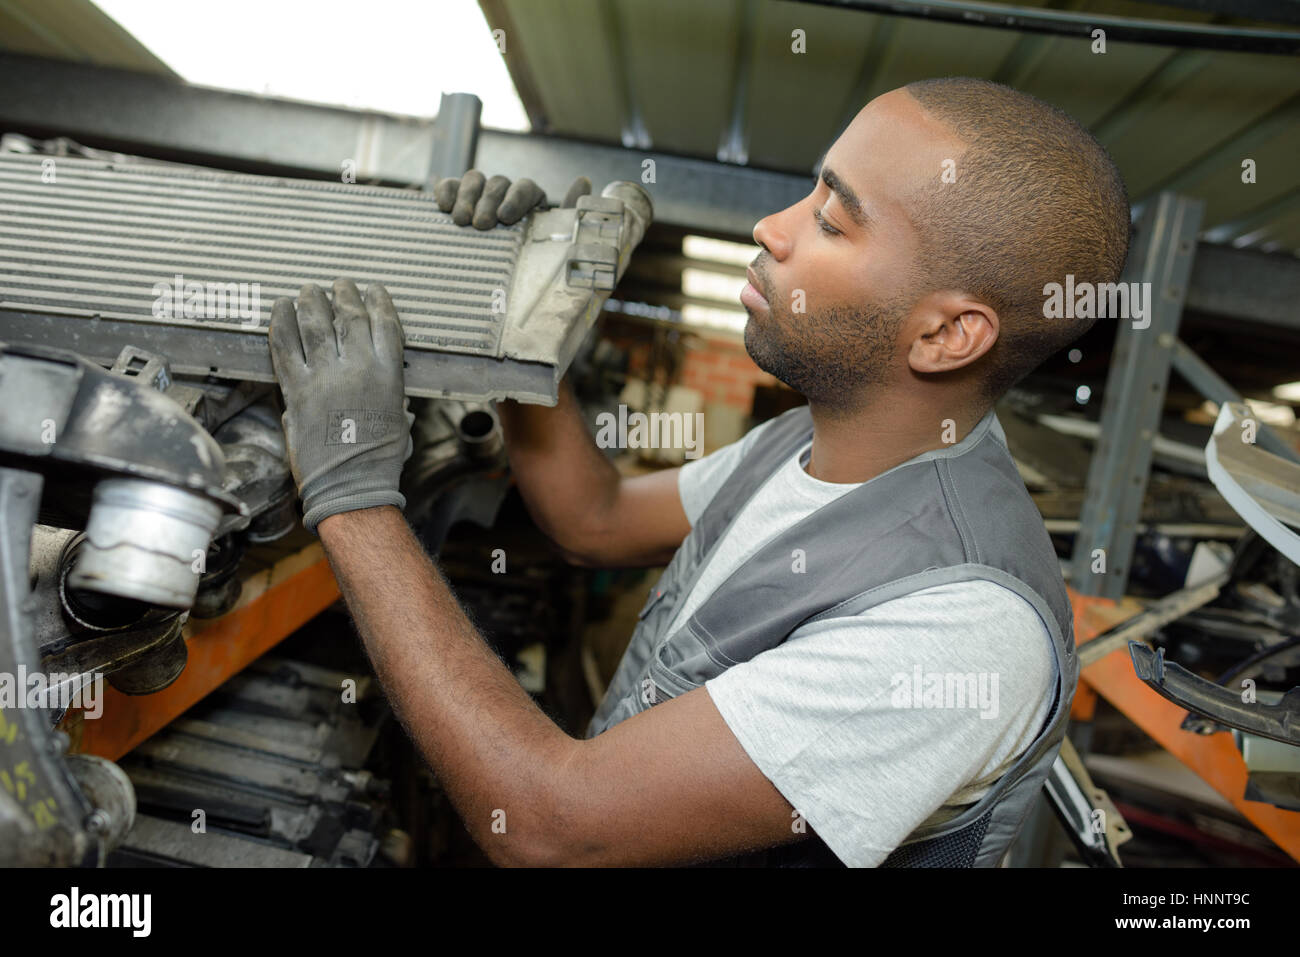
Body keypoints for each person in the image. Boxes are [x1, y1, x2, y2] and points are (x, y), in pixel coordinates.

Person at [267, 76, 1129, 867]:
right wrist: (517, 318)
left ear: (947, 335)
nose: (773, 227)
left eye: (832, 222)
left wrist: (351, 492)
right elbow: (593, 517)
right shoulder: (805, 442)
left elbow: (550, 822)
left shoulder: (960, 626)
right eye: (811, 190)